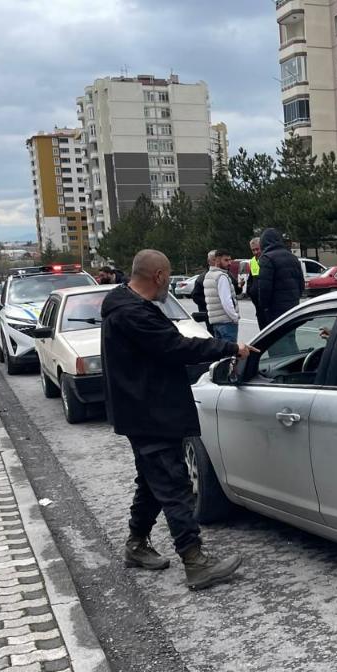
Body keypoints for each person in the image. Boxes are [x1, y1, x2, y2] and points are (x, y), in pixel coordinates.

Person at [100, 249, 253, 590]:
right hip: (151, 414)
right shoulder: (134, 314)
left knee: (152, 483)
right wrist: (229, 349)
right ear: (159, 276)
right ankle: (195, 562)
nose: (168, 282)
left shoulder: (125, 306)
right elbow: (177, 347)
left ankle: (136, 544)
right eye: (167, 276)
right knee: (174, 486)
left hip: (142, 412)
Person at [255, 228, 304, 329]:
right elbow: (301, 285)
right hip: (292, 308)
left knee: (277, 341)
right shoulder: (293, 258)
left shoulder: (267, 259)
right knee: (289, 336)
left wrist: (264, 307)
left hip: (275, 310)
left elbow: (264, 289)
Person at [204, 250, 240, 343]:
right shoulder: (221, 276)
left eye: (230, 260)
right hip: (227, 322)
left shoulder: (208, 275)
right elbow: (226, 301)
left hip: (216, 322)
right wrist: (234, 317)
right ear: (217, 261)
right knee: (229, 354)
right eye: (226, 260)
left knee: (221, 353)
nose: (229, 263)